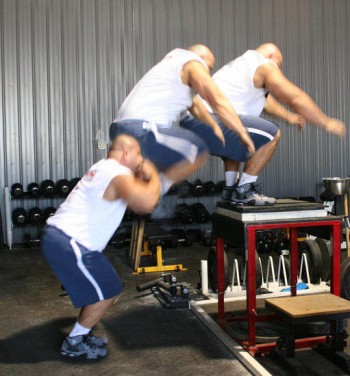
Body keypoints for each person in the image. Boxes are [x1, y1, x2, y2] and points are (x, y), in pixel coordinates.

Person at [41, 134, 161, 360]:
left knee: (106, 288)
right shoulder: (117, 173)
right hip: (70, 241)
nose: (141, 159)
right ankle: (74, 342)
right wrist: (154, 174)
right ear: (126, 153)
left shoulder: (105, 168)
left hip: (66, 240)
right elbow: (146, 204)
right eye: (138, 154)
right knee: (108, 290)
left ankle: (82, 333)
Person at [180, 43, 346, 205]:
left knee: (240, 140)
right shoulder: (264, 65)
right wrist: (325, 122)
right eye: (279, 64)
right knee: (271, 134)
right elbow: (293, 97)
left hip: (193, 123)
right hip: (208, 119)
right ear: (271, 57)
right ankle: (244, 189)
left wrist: (289, 116)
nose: (278, 69)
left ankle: (229, 190)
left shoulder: (241, 67)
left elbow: (268, 104)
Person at [109, 44, 255, 197]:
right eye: (209, 67)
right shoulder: (192, 63)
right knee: (197, 149)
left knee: (131, 180)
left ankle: (131, 194)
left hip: (119, 129)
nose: (209, 73)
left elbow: (196, 107)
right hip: (142, 129)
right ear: (202, 59)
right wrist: (242, 132)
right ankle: (156, 192)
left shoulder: (172, 67)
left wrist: (214, 127)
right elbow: (217, 99)